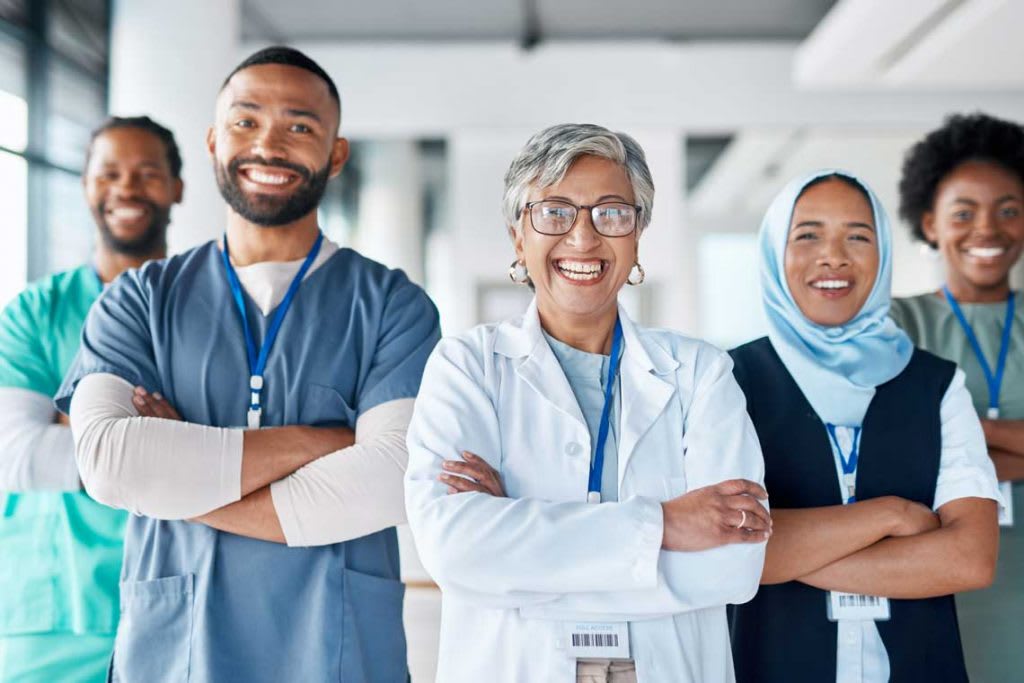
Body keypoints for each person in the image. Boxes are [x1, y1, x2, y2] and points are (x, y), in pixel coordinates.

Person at [55, 46, 440, 683]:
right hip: (174, 653)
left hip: (338, 651)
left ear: (336, 154)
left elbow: (393, 476)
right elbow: (108, 462)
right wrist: (325, 444)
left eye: (300, 126)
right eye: (245, 121)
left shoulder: (393, 305)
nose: (269, 144)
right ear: (212, 141)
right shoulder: (139, 300)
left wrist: (175, 481)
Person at [405, 123, 769, 683]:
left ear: (637, 233)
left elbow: (733, 566)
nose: (583, 237)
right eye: (554, 212)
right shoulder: (467, 367)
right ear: (517, 235)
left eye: (611, 213)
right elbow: (456, 551)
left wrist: (520, 550)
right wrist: (668, 524)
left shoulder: (701, 373)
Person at [728, 169, 1001, 683]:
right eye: (808, 235)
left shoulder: (938, 385)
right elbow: (723, 550)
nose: (834, 256)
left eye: (858, 236)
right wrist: (890, 516)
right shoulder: (727, 383)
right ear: (772, 252)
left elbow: (970, 559)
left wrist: (781, 554)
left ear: (883, 255)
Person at [0, 116, 182, 682]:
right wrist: (167, 439)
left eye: (147, 173)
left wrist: (76, 425)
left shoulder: (213, 307)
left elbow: (240, 444)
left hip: (184, 599)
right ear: (84, 186)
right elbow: (15, 454)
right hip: (55, 611)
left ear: (177, 187)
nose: (126, 188)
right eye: (108, 173)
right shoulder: (37, 312)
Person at [890, 112, 1024, 682]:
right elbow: (899, 453)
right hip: (940, 566)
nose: (987, 230)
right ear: (930, 222)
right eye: (964, 212)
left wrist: (959, 428)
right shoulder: (897, 323)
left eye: (1009, 210)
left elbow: (932, 443)